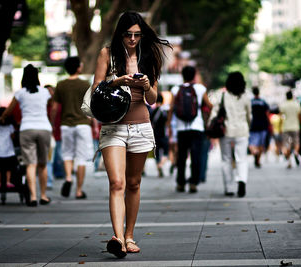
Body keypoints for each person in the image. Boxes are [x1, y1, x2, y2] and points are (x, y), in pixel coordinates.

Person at [91, 11, 171, 258]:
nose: (133, 39)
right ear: (120, 34)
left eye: (137, 34)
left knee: (134, 183)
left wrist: (147, 86)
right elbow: (96, 88)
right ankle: (118, 238)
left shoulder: (150, 56)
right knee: (117, 182)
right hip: (113, 126)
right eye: (128, 35)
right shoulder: (108, 54)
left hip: (141, 126)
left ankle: (129, 235)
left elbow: (153, 99)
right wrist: (116, 82)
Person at [0, 64, 52, 207]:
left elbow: (8, 111)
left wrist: (1, 118)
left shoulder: (20, 93)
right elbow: (52, 106)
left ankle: (33, 197)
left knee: (30, 164)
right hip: (44, 128)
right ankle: (44, 195)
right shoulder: (45, 93)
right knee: (42, 164)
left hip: (27, 129)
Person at [51, 56, 93, 199]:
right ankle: (79, 191)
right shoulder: (85, 84)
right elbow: (90, 106)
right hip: (82, 124)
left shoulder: (61, 85)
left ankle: (68, 177)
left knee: (67, 154)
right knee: (81, 159)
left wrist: (52, 124)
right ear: (78, 68)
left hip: (66, 125)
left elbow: (55, 108)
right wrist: (93, 123)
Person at [167, 66, 213, 193]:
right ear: (194, 75)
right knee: (195, 155)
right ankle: (193, 183)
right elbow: (209, 106)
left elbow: (171, 109)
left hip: (181, 129)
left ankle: (180, 183)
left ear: (182, 75)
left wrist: (169, 125)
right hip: (197, 127)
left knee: (181, 156)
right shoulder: (200, 88)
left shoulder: (176, 89)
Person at [209, 72, 251, 197]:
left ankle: (229, 187)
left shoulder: (222, 95)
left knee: (226, 159)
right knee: (241, 158)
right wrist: (248, 125)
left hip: (226, 131)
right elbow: (249, 115)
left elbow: (214, 113)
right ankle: (242, 180)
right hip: (242, 131)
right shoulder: (245, 96)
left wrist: (210, 125)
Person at [0, 107, 17, 189]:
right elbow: (13, 137)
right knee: (8, 167)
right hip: (8, 149)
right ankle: (8, 181)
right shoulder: (10, 126)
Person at [248, 86, 270, 168]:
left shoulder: (250, 102)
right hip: (263, 125)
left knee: (252, 143)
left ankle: (255, 153)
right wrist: (269, 124)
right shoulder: (263, 102)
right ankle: (258, 159)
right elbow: (267, 113)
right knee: (261, 143)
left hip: (253, 125)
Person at [279, 91, 301, 169]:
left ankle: (289, 162)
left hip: (286, 127)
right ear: (292, 96)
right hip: (295, 126)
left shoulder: (283, 105)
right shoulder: (296, 104)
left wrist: (280, 127)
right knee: (296, 142)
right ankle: (295, 152)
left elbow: (281, 117)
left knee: (286, 145)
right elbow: (299, 115)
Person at [150, 93, 169, 177]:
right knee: (166, 152)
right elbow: (167, 123)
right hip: (163, 134)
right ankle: (161, 165)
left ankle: (158, 166)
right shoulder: (164, 111)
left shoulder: (152, 111)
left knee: (157, 153)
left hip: (155, 135)